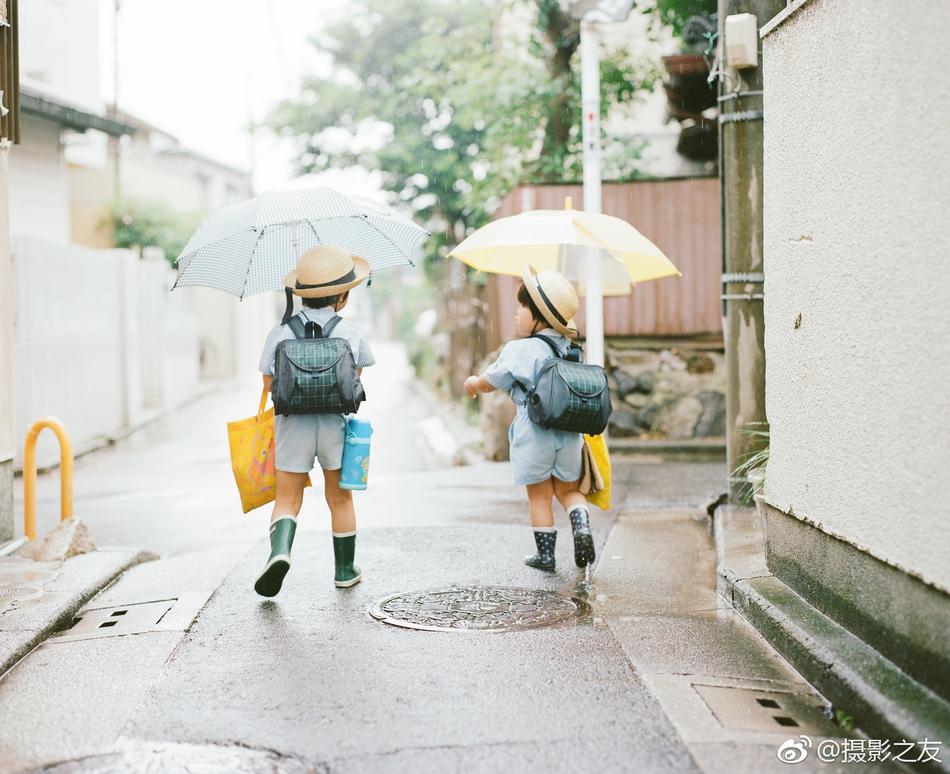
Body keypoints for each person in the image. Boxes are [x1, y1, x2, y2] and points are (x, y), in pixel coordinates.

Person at [254, 245, 375, 596]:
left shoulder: (280, 333)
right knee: (339, 499)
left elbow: (267, 381)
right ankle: (344, 569)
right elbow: (356, 374)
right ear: (341, 297)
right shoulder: (349, 331)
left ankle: (280, 553)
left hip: (292, 425)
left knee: (287, 498)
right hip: (335, 426)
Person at [464, 265, 595, 571]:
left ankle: (546, 556)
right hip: (569, 433)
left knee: (539, 496)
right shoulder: (570, 349)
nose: (516, 313)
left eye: (522, 307)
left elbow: (493, 380)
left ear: (538, 314)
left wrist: (473, 383)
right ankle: (582, 525)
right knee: (568, 491)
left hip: (535, 431)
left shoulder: (521, 349)